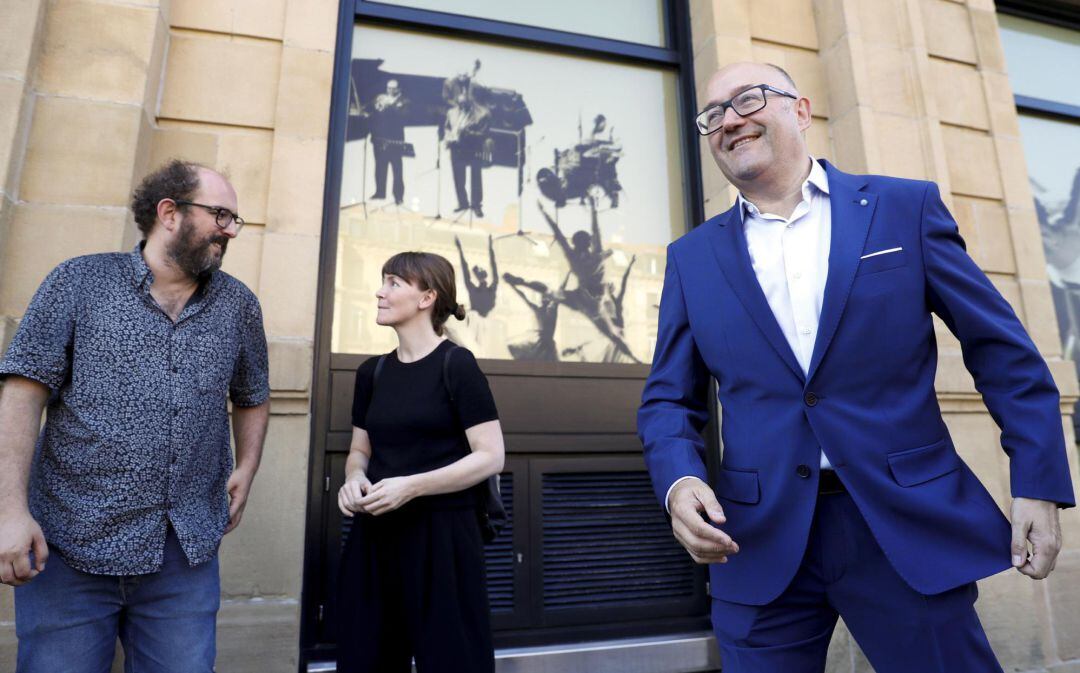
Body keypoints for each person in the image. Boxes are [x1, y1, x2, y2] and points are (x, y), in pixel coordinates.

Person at [637, 62, 1075, 672]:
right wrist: (680, 482)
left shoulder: (903, 209)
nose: (729, 120)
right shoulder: (692, 258)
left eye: (748, 99)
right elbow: (667, 400)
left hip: (902, 527)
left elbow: (1003, 352)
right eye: (713, 115)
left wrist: (1037, 481)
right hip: (757, 539)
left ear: (800, 109)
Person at [0, 159, 270, 673]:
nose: (229, 230)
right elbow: (22, 391)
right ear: (169, 212)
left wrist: (247, 467)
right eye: (220, 215)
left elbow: (253, 393)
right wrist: (9, 511)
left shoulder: (239, 305)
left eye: (235, 220)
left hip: (183, 553)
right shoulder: (79, 281)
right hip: (71, 542)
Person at [336, 252, 505, 673]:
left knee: (453, 661)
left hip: (444, 539)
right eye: (383, 281)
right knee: (366, 658)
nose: (380, 291)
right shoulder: (371, 373)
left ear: (427, 296)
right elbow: (361, 451)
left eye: (394, 283)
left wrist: (410, 486)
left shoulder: (457, 365)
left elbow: (491, 455)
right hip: (375, 536)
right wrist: (353, 479)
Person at [444, 91, 491, 218]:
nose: (462, 106)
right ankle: (462, 202)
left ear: (470, 102)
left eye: (465, 104)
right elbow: (447, 127)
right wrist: (448, 137)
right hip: (456, 147)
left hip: (473, 147)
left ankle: (476, 205)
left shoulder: (482, 114)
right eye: (459, 104)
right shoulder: (451, 112)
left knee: (475, 177)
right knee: (458, 177)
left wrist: (468, 133)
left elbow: (484, 134)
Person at [370, 79, 409, 205]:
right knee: (380, 167)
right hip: (380, 139)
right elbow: (373, 112)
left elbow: (403, 117)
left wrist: (389, 106)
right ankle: (380, 192)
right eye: (388, 88)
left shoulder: (404, 102)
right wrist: (376, 107)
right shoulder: (380, 98)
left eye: (393, 88)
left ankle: (398, 196)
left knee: (397, 169)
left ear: (398, 89)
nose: (390, 90)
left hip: (395, 140)